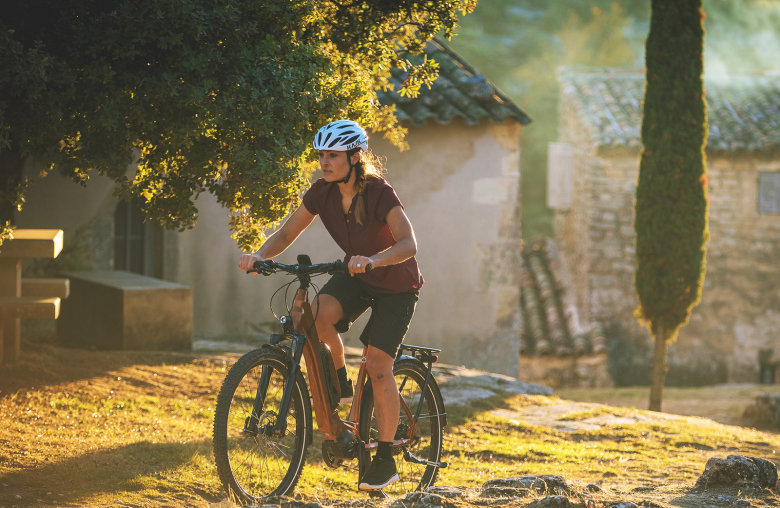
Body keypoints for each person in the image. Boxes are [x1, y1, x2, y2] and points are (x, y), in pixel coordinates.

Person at [238, 119, 423, 491]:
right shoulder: (322, 192)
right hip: (356, 274)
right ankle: (340, 384)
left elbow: (409, 244)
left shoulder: (379, 193)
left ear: (355, 157)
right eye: (321, 154)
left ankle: (385, 459)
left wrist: (374, 260)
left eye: (333, 155)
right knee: (315, 316)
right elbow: (289, 231)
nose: (324, 162)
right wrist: (259, 255)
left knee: (378, 367)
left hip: (396, 285)